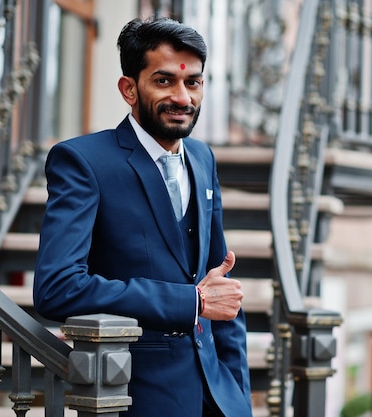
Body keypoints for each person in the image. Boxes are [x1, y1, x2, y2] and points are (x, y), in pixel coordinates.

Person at [33, 17, 252, 417]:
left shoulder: (203, 159)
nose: (183, 97)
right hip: (137, 396)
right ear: (129, 88)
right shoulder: (83, 162)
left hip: (219, 397)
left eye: (193, 82)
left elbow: (218, 282)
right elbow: (58, 287)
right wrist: (190, 301)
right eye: (164, 81)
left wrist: (238, 395)